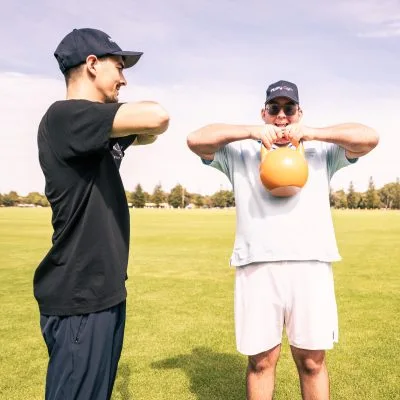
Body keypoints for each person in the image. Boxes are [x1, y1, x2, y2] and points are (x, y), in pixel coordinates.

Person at [186, 80, 379, 400]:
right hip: (256, 265)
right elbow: (196, 140)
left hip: (311, 265)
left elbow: (369, 137)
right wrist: (250, 131)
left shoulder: (321, 151)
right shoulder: (242, 153)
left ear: (299, 113)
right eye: (274, 109)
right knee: (261, 362)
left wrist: (313, 132)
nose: (282, 116)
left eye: (289, 109)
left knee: (313, 363)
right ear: (264, 113)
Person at [34, 28, 169, 400]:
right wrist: (129, 122)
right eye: (119, 67)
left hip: (102, 293)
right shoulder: (67, 117)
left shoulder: (91, 128)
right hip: (81, 296)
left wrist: (125, 129)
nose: (124, 78)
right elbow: (156, 117)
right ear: (92, 64)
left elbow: (146, 134)